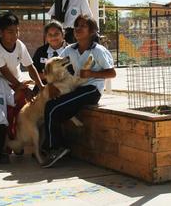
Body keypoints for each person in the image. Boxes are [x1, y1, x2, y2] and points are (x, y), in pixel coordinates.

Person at [41, 14, 116, 168]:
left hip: (91, 90)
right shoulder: (70, 49)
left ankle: (53, 148)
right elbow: (53, 65)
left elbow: (112, 73)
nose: (78, 29)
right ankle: (57, 146)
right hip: (76, 88)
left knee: (52, 108)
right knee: (52, 105)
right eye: (76, 26)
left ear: (92, 31)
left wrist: (92, 74)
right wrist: (50, 85)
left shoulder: (98, 50)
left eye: (83, 26)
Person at [0, 12, 44, 141]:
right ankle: (6, 147)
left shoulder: (20, 45)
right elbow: (5, 72)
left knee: (21, 114)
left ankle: (18, 143)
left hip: (18, 83)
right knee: (7, 117)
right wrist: (22, 88)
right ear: (0, 32)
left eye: (17, 31)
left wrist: (41, 86)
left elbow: (30, 67)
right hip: (3, 87)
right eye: (10, 32)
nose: (15, 35)